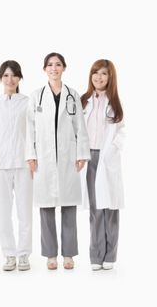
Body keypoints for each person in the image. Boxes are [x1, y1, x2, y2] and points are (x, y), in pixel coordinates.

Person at [25, 52, 90, 270]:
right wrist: (31, 155)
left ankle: (69, 254)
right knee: (45, 206)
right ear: (45, 69)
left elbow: (80, 126)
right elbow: (30, 130)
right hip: (43, 157)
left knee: (69, 205)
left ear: (64, 68)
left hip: (67, 157)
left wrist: (82, 154)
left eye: (58, 64)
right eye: (50, 65)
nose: (54, 68)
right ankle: (51, 255)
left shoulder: (73, 95)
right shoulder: (36, 96)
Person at [0, 60, 32, 271]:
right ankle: (9, 254)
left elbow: (34, 133)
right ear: (0, 78)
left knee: (24, 212)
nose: (9, 79)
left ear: (19, 78)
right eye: (5, 75)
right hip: (0, 165)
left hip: (24, 163)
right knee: (4, 212)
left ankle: (24, 255)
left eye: (13, 75)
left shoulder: (28, 102)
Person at [79, 59, 125, 271]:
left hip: (108, 159)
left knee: (110, 208)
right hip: (89, 158)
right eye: (95, 73)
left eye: (104, 74)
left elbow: (122, 131)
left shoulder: (114, 102)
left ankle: (110, 255)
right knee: (96, 208)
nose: (99, 77)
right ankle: (96, 255)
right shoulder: (83, 101)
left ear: (110, 77)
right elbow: (77, 131)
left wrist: (113, 149)